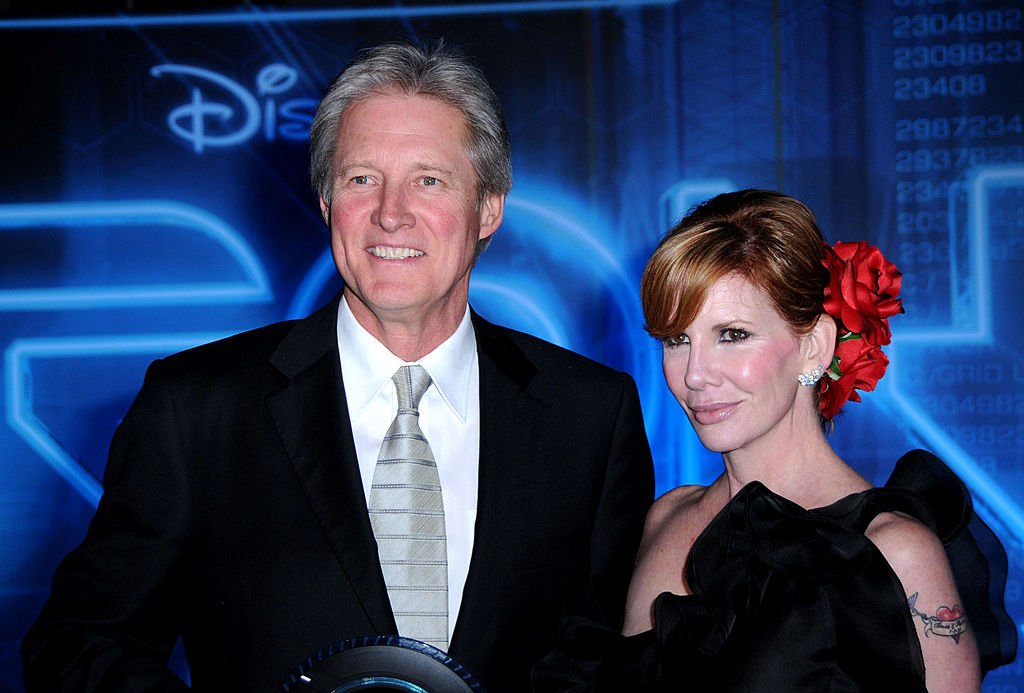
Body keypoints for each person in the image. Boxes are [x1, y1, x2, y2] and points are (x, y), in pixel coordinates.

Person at [21, 40, 654, 693]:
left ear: (489, 207)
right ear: (326, 204)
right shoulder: (196, 408)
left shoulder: (590, 416)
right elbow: (76, 643)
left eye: (428, 179)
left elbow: (609, 658)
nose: (390, 212)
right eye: (361, 179)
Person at [533, 189, 1016, 691]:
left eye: (733, 334)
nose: (694, 375)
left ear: (813, 348)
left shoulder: (894, 550)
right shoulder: (667, 516)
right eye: (678, 340)